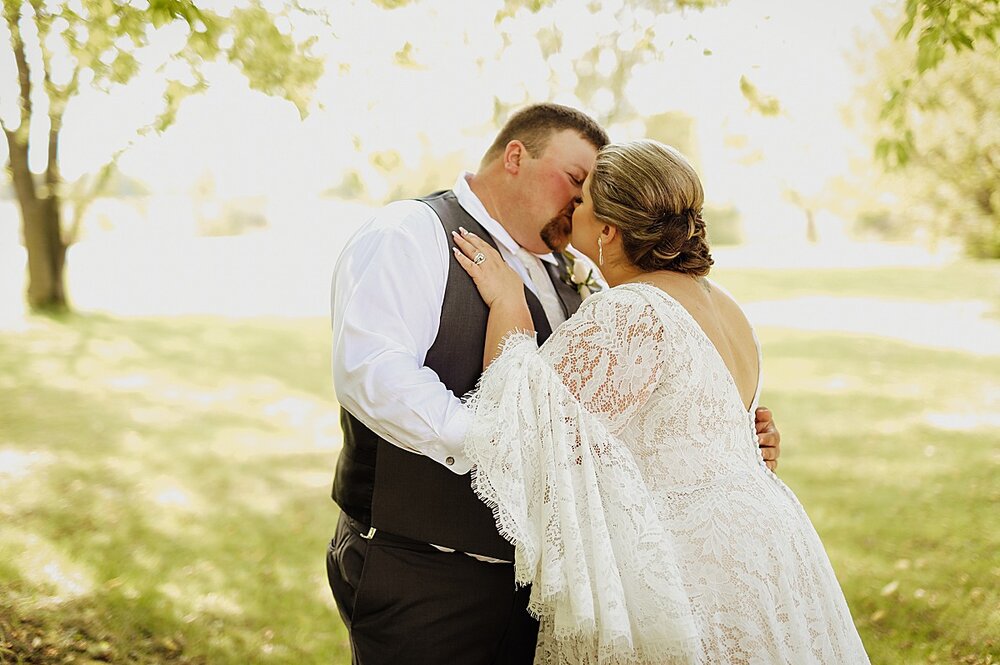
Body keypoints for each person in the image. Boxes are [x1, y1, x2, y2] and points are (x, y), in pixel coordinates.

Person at [327, 106, 782, 664]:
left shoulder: (582, 278)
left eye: (588, 193)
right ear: (516, 156)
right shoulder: (411, 231)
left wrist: (726, 440)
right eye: (575, 179)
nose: (578, 200)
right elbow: (371, 373)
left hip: (554, 588)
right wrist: (492, 439)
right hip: (431, 574)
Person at [452, 139, 869, 663]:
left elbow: (521, 425)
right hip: (769, 548)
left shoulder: (630, 312)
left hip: (689, 572)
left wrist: (507, 299)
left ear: (608, 231)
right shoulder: (725, 303)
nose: (570, 206)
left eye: (582, 202)